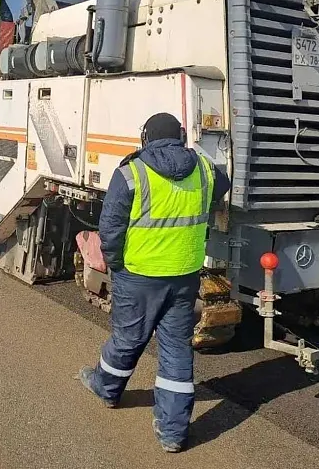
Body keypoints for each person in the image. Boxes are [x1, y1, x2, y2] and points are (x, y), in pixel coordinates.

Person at [77, 112, 230, 453]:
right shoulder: (204, 169)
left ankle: (106, 389)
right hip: (184, 273)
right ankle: (173, 433)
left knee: (129, 337)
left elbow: (111, 227)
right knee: (176, 348)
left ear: (145, 138)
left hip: (140, 273)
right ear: (179, 136)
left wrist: (115, 264)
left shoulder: (131, 172)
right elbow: (224, 185)